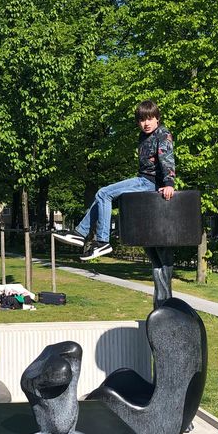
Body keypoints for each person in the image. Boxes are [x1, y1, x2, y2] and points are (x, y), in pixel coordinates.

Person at [55, 99, 177, 304]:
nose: (146, 123)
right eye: (141, 120)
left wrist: (169, 182)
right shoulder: (143, 136)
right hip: (142, 180)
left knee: (104, 193)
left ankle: (102, 242)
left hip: (149, 183)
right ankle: (80, 234)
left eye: (149, 119)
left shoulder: (162, 134)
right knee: (100, 197)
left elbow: (167, 159)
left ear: (157, 118)